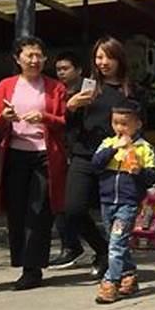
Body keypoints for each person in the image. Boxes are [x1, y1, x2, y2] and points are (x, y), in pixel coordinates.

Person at [0, 36, 67, 290]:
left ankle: (33, 269)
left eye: (38, 56)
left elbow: (64, 121)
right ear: (17, 58)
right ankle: (22, 262)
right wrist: (4, 117)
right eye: (29, 55)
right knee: (19, 210)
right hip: (16, 154)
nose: (34, 60)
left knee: (40, 209)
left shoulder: (55, 87)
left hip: (45, 155)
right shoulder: (6, 85)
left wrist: (44, 117)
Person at [64, 36, 143, 279]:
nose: (103, 62)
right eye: (99, 57)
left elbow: (138, 126)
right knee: (72, 210)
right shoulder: (86, 87)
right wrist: (71, 107)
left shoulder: (131, 91)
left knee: (113, 215)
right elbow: (68, 125)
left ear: (119, 59)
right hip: (84, 155)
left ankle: (118, 263)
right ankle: (102, 250)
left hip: (115, 161)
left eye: (109, 57)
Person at [91, 99, 155, 304]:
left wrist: (140, 172)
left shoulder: (144, 148)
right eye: (115, 123)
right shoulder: (108, 143)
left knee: (116, 243)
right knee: (116, 242)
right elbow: (95, 164)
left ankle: (110, 282)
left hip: (128, 203)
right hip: (107, 200)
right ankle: (129, 274)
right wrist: (113, 149)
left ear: (137, 124)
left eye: (125, 124)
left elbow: (153, 176)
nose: (120, 128)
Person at [49, 51, 86, 269]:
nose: (61, 73)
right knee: (61, 204)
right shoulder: (57, 91)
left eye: (66, 68)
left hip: (82, 153)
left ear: (79, 69)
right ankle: (70, 245)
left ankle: (97, 248)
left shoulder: (87, 90)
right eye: (58, 69)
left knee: (73, 205)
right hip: (61, 151)